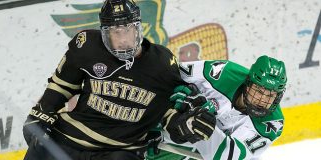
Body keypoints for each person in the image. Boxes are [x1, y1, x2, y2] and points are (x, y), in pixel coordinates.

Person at [22, 0, 216, 159]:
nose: (123, 39)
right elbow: (62, 85)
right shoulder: (87, 46)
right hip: (67, 138)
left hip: (118, 152)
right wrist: (42, 111)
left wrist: (187, 125)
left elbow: (168, 116)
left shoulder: (162, 64)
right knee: (40, 149)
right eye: (116, 32)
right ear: (105, 33)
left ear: (138, 29)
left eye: (128, 30)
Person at [150, 55, 287, 160]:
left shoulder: (272, 124)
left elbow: (226, 156)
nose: (262, 100)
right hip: (185, 142)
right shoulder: (222, 73)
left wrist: (196, 118)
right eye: (259, 91)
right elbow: (170, 75)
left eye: (271, 95)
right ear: (248, 83)